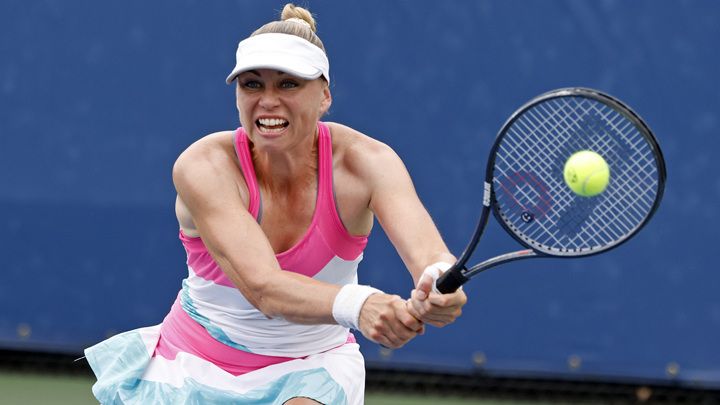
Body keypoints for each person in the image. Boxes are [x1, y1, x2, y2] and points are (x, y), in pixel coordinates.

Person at [84, 4, 467, 404]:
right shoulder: (203, 166)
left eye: (288, 84)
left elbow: (430, 256)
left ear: (325, 96)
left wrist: (438, 283)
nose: (268, 101)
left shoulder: (368, 163)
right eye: (252, 85)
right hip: (192, 363)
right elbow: (264, 287)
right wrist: (361, 304)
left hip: (312, 366)